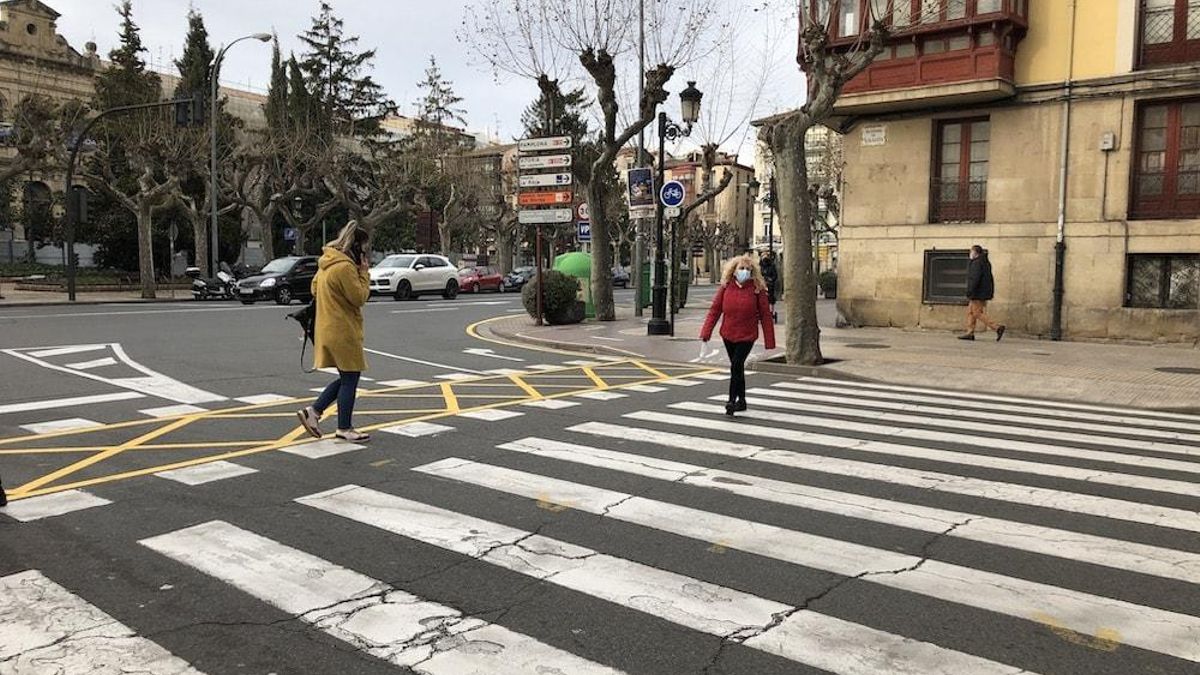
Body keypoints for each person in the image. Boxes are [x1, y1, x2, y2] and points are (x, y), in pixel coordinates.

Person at [297, 222, 372, 441]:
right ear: (355, 246)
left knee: (347, 376)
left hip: (326, 326)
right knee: (351, 377)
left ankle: (313, 412)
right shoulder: (345, 267)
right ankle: (344, 427)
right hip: (343, 329)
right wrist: (364, 273)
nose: (364, 254)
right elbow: (359, 297)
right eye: (363, 249)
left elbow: (314, 289)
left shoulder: (326, 263)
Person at [700, 254, 777, 417]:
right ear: (734, 270)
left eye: (748, 269)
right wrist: (706, 333)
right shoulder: (726, 287)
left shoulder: (757, 290)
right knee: (738, 367)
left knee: (736, 365)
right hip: (728, 334)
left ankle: (731, 401)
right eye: (741, 268)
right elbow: (715, 310)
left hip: (747, 335)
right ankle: (742, 400)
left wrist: (769, 340)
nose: (744, 271)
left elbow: (765, 315)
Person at [960, 244, 1006, 342]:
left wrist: (970, 291)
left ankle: (997, 327)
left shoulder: (977, 263)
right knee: (971, 312)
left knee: (977, 313)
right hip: (982, 291)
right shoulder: (984, 262)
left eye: (971, 252)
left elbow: (974, 278)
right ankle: (970, 332)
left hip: (977, 292)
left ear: (975, 253)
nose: (970, 254)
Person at [760, 250, 779, 323]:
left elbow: (775, 275)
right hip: (761, 285)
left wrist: (770, 279)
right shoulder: (760, 266)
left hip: (770, 285)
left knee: (770, 298)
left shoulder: (772, 266)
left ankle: (770, 311)